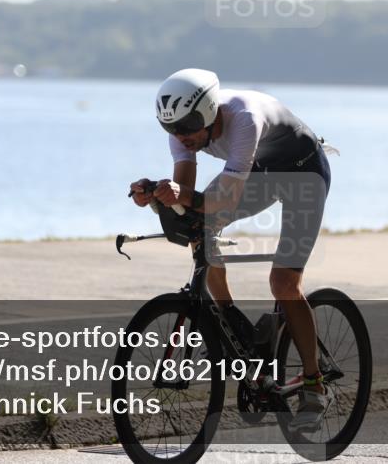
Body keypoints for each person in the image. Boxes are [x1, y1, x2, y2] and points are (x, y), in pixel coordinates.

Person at [130, 68, 334, 431]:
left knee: (284, 283)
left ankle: (315, 385)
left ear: (208, 111)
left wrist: (184, 197)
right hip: (261, 171)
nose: (181, 136)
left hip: (304, 174)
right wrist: (156, 198)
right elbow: (186, 199)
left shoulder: (244, 118)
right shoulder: (183, 130)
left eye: (189, 126)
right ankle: (233, 323)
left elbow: (225, 197)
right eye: (171, 128)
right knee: (199, 229)